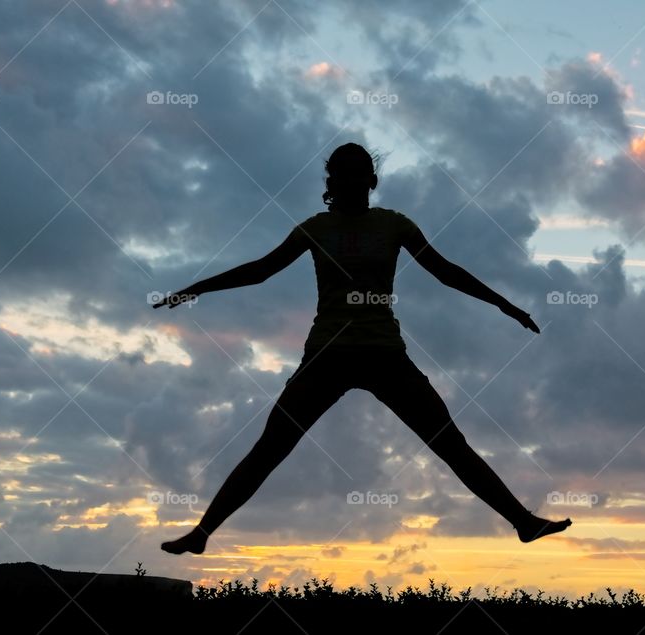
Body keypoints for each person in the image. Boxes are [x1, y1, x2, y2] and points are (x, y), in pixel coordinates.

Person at [155, 143, 570, 555]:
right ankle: (203, 532)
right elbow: (261, 271)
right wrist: (194, 290)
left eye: (359, 172)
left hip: (384, 355)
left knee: (449, 443)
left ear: (371, 180)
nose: (351, 181)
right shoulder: (314, 229)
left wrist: (504, 304)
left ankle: (523, 522)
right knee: (270, 448)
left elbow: (445, 272)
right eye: (343, 173)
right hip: (326, 356)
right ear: (332, 182)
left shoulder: (395, 225)